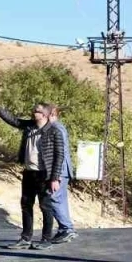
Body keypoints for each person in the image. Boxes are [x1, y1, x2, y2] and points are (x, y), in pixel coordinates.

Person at [0, 98, 52, 249]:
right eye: (33, 110)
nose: (33, 112)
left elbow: (59, 155)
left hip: (44, 175)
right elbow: (14, 121)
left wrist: (55, 178)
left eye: (36, 111)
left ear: (45, 114)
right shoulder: (29, 126)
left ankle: (46, 240)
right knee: (26, 205)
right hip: (28, 173)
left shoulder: (52, 130)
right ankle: (25, 238)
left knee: (45, 206)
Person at [35, 104, 77, 249]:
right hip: (62, 171)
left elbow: (59, 153)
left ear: (51, 115)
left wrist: (55, 176)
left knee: (53, 198)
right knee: (59, 199)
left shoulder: (56, 128)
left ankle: (66, 229)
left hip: (60, 171)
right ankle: (65, 229)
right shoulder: (58, 127)